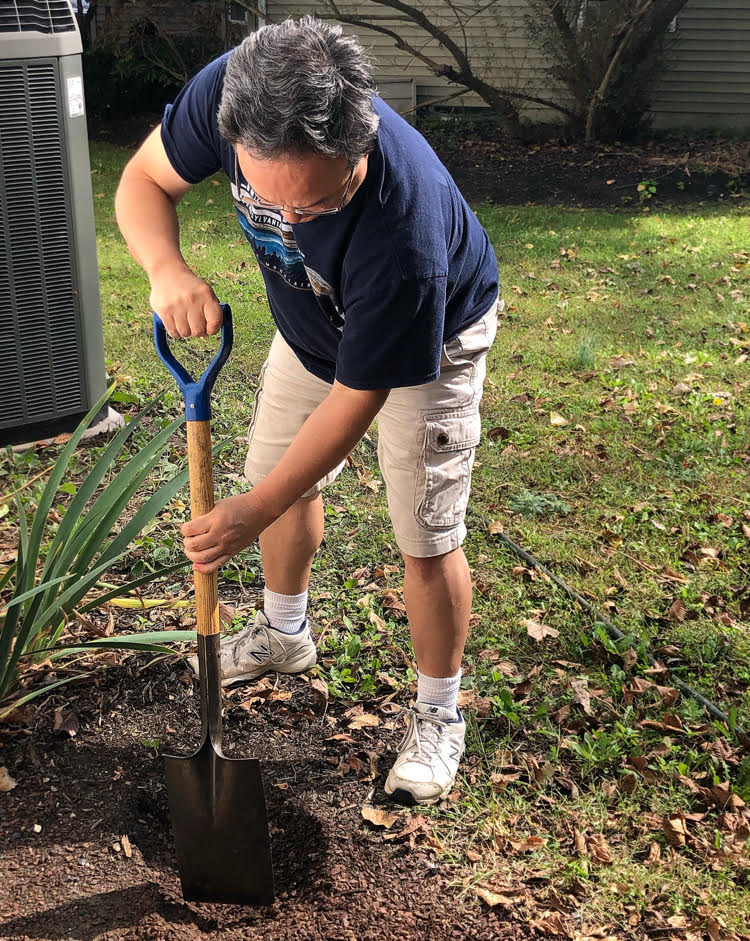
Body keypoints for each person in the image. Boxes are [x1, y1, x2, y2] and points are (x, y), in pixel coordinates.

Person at [115, 16, 499, 805]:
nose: (290, 224)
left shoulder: (406, 231)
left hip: (431, 336)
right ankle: (285, 634)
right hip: (309, 318)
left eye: (319, 205)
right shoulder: (232, 92)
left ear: (359, 149)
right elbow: (142, 181)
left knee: (424, 533)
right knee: (274, 474)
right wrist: (165, 269)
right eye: (268, 198)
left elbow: (359, 398)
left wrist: (251, 511)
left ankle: (439, 714)